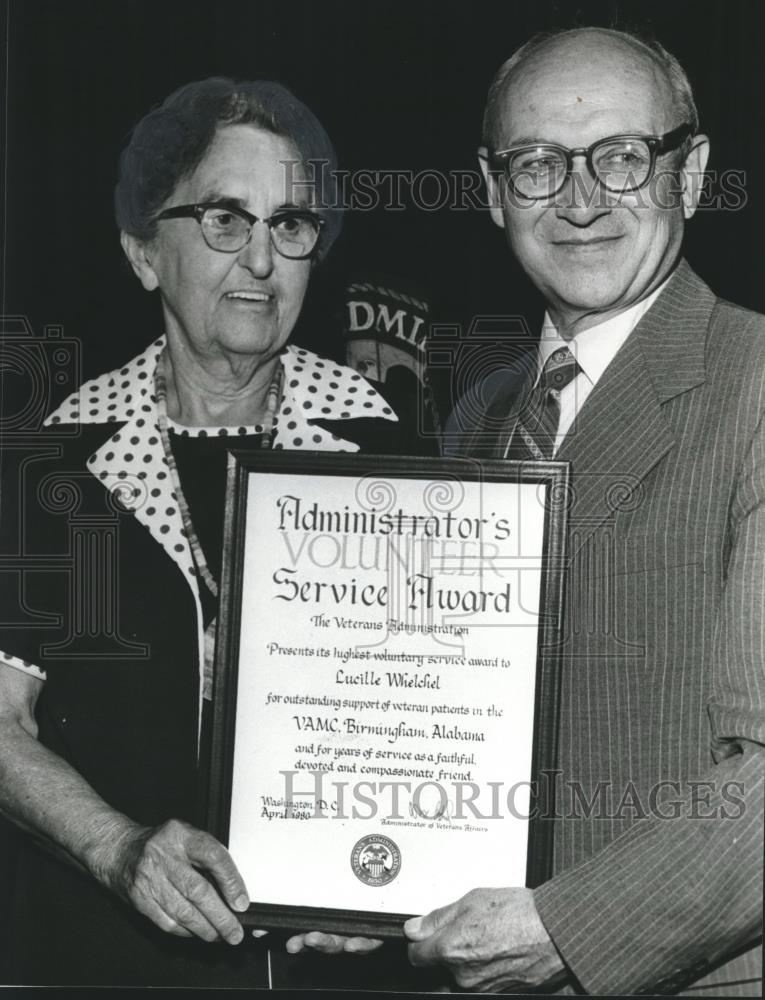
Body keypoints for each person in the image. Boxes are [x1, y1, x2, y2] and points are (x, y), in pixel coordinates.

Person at [0, 77, 427, 987]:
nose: (262, 260)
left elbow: (438, 713)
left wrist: (400, 884)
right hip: (101, 958)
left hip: (331, 961)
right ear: (144, 252)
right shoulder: (58, 461)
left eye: (291, 224)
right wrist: (119, 850)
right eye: (225, 220)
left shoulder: (387, 447)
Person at [400, 26, 763, 996]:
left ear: (688, 177)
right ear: (490, 191)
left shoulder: (756, 383)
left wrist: (561, 930)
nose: (579, 199)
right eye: (536, 164)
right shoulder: (480, 418)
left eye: (620, 157)